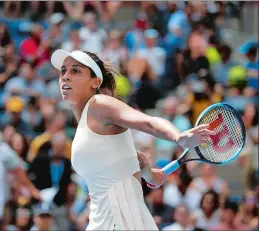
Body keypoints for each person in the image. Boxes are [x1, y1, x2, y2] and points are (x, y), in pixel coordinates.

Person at [50, 49, 213, 230]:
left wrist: (178, 137)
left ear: (95, 82)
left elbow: (149, 122)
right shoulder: (86, 124)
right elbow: (134, 160)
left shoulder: (99, 104)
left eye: (75, 71)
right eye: (63, 70)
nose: (65, 76)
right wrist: (151, 174)